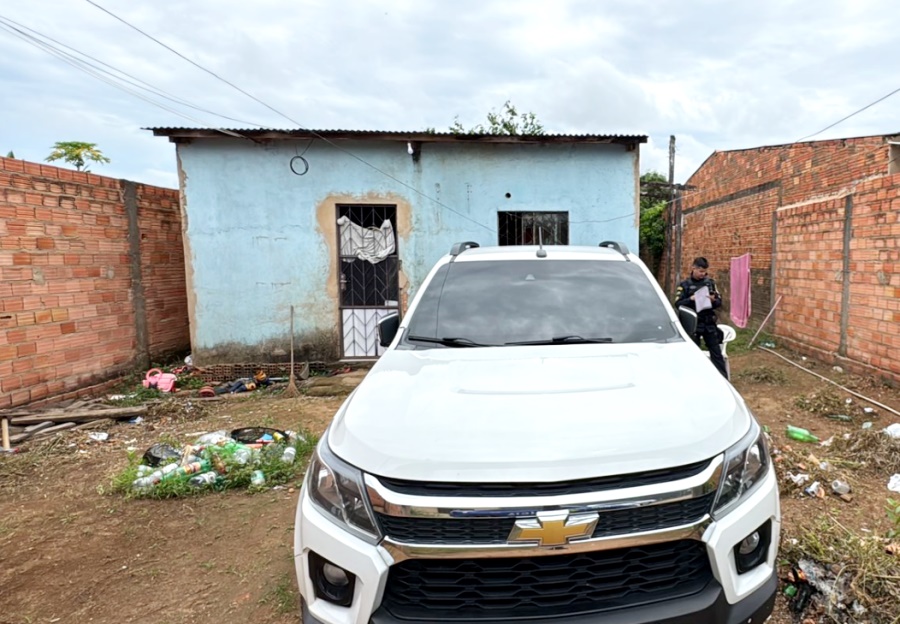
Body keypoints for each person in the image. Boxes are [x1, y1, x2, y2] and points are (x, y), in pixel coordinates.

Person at [674, 257, 728, 379]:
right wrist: (691, 299)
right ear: (693, 268)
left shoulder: (710, 283)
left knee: (716, 354)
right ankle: (693, 378)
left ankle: (723, 379)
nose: (703, 274)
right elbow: (677, 304)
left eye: (705, 272)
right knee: (693, 353)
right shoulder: (684, 285)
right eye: (700, 271)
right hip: (693, 324)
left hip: (708, 323)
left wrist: (714, 301)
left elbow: (719, 302)